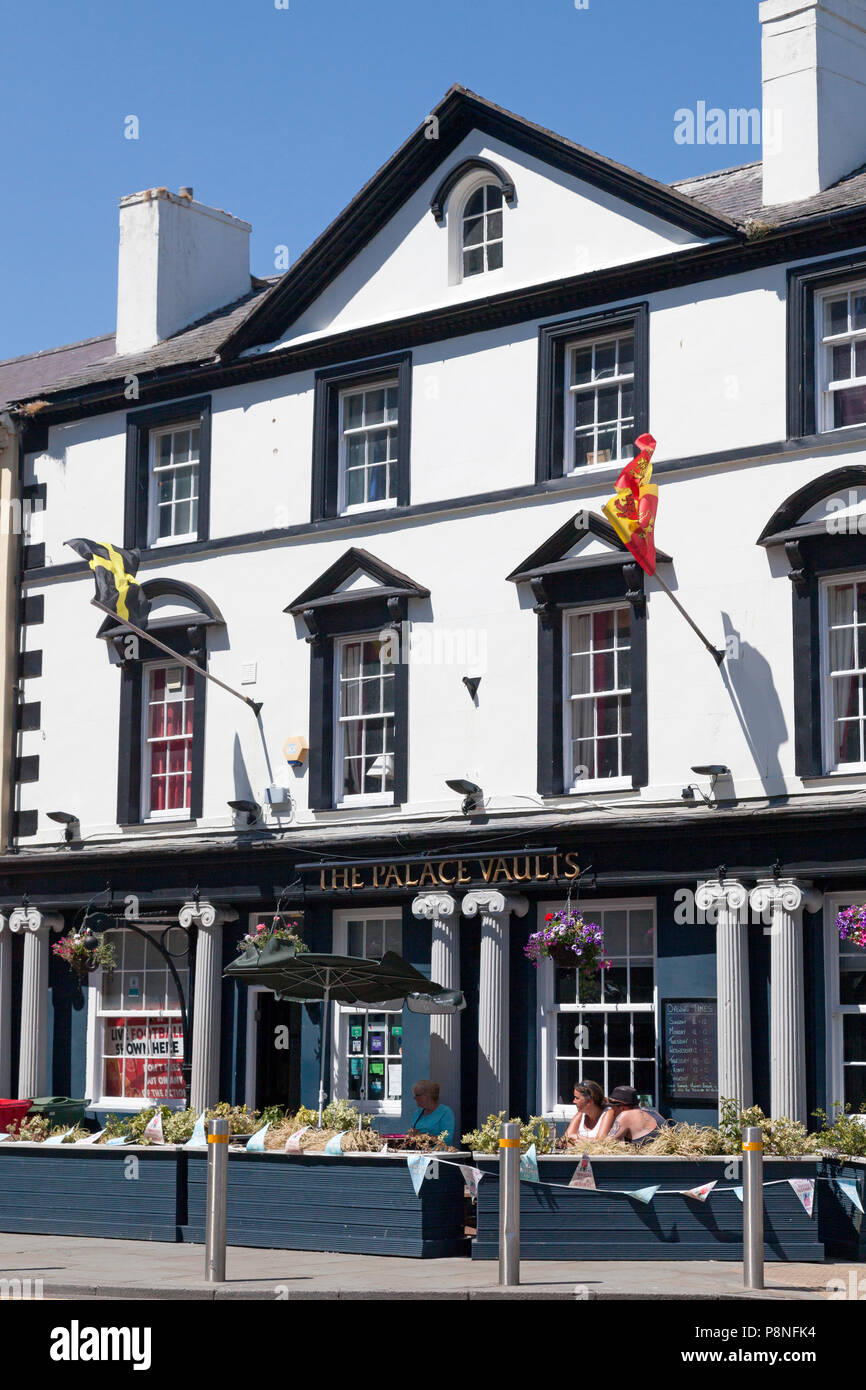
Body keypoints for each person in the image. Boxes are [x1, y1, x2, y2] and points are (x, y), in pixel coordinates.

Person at [563, 1080, 614, 1145]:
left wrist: (577, 1137)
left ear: (589, 1101)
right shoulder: (581, 1113)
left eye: (577, 1098)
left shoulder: (608, 1113)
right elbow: (566, 1137)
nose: (574, 1101)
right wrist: (587, 1141)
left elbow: (600, 1141)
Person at [408, 1080, 455, 1146]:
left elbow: (447, 1139)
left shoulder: (445, 1112)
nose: (414, 1098)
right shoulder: (418, 1112)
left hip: (439, 1153)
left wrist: (422, 1136)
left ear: (427, 1095)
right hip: (419, 1152)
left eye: (417, 1095)